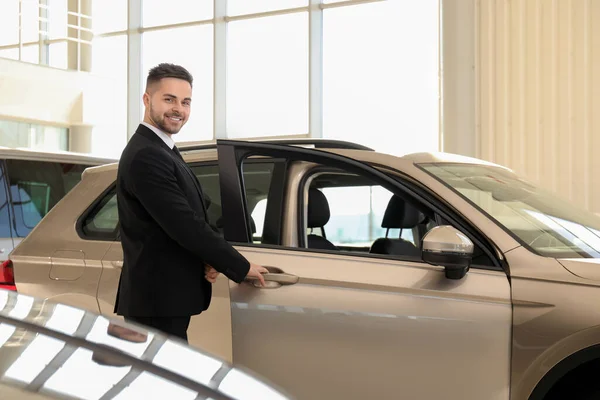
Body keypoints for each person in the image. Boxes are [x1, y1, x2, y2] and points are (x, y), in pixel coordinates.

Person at [114, 63, 267, 342]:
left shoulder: (163, 150)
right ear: (147, 99)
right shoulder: (146, 155)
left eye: (185, 102)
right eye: (169, 99)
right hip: (155, 302)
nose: (179, 109)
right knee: (160, 384)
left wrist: (209, 258)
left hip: (164, 300)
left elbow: (197, 213)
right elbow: (184, 223)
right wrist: (239, 266)